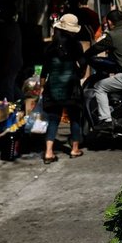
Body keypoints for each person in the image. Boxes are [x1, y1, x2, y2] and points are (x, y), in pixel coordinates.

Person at [39, 13, 86, 163]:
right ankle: (75, 149)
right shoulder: (76, 45)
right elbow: (83, 65)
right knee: (74, 118)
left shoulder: (50, 47)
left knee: (53, 120)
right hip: (71, 87)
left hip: (53, 87)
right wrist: (79, 74)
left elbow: (44, 70)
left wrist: (41, 87)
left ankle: (48, 152)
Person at [0, 3, 23, 102]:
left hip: (11, 61)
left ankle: (10, 107)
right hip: (14, 60)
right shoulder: (13, 26)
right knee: (11, 84)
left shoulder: (9, 27)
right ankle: (22, 101)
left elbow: (7, 44)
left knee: (8, 86)